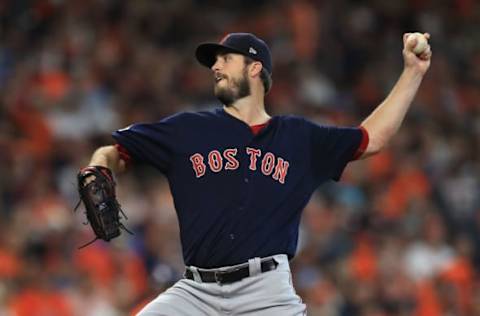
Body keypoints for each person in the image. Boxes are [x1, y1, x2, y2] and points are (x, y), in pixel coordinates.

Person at [83, 32, 431, 315]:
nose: (215, 66)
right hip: (195, 293)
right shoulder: (187, 130)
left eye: (225, 58)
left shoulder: (299, 138)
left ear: (254, 68)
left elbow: (372, 139)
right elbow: (116, 151)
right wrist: (100, 164)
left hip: (265, 293)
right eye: (214, 61)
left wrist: (412, 72)